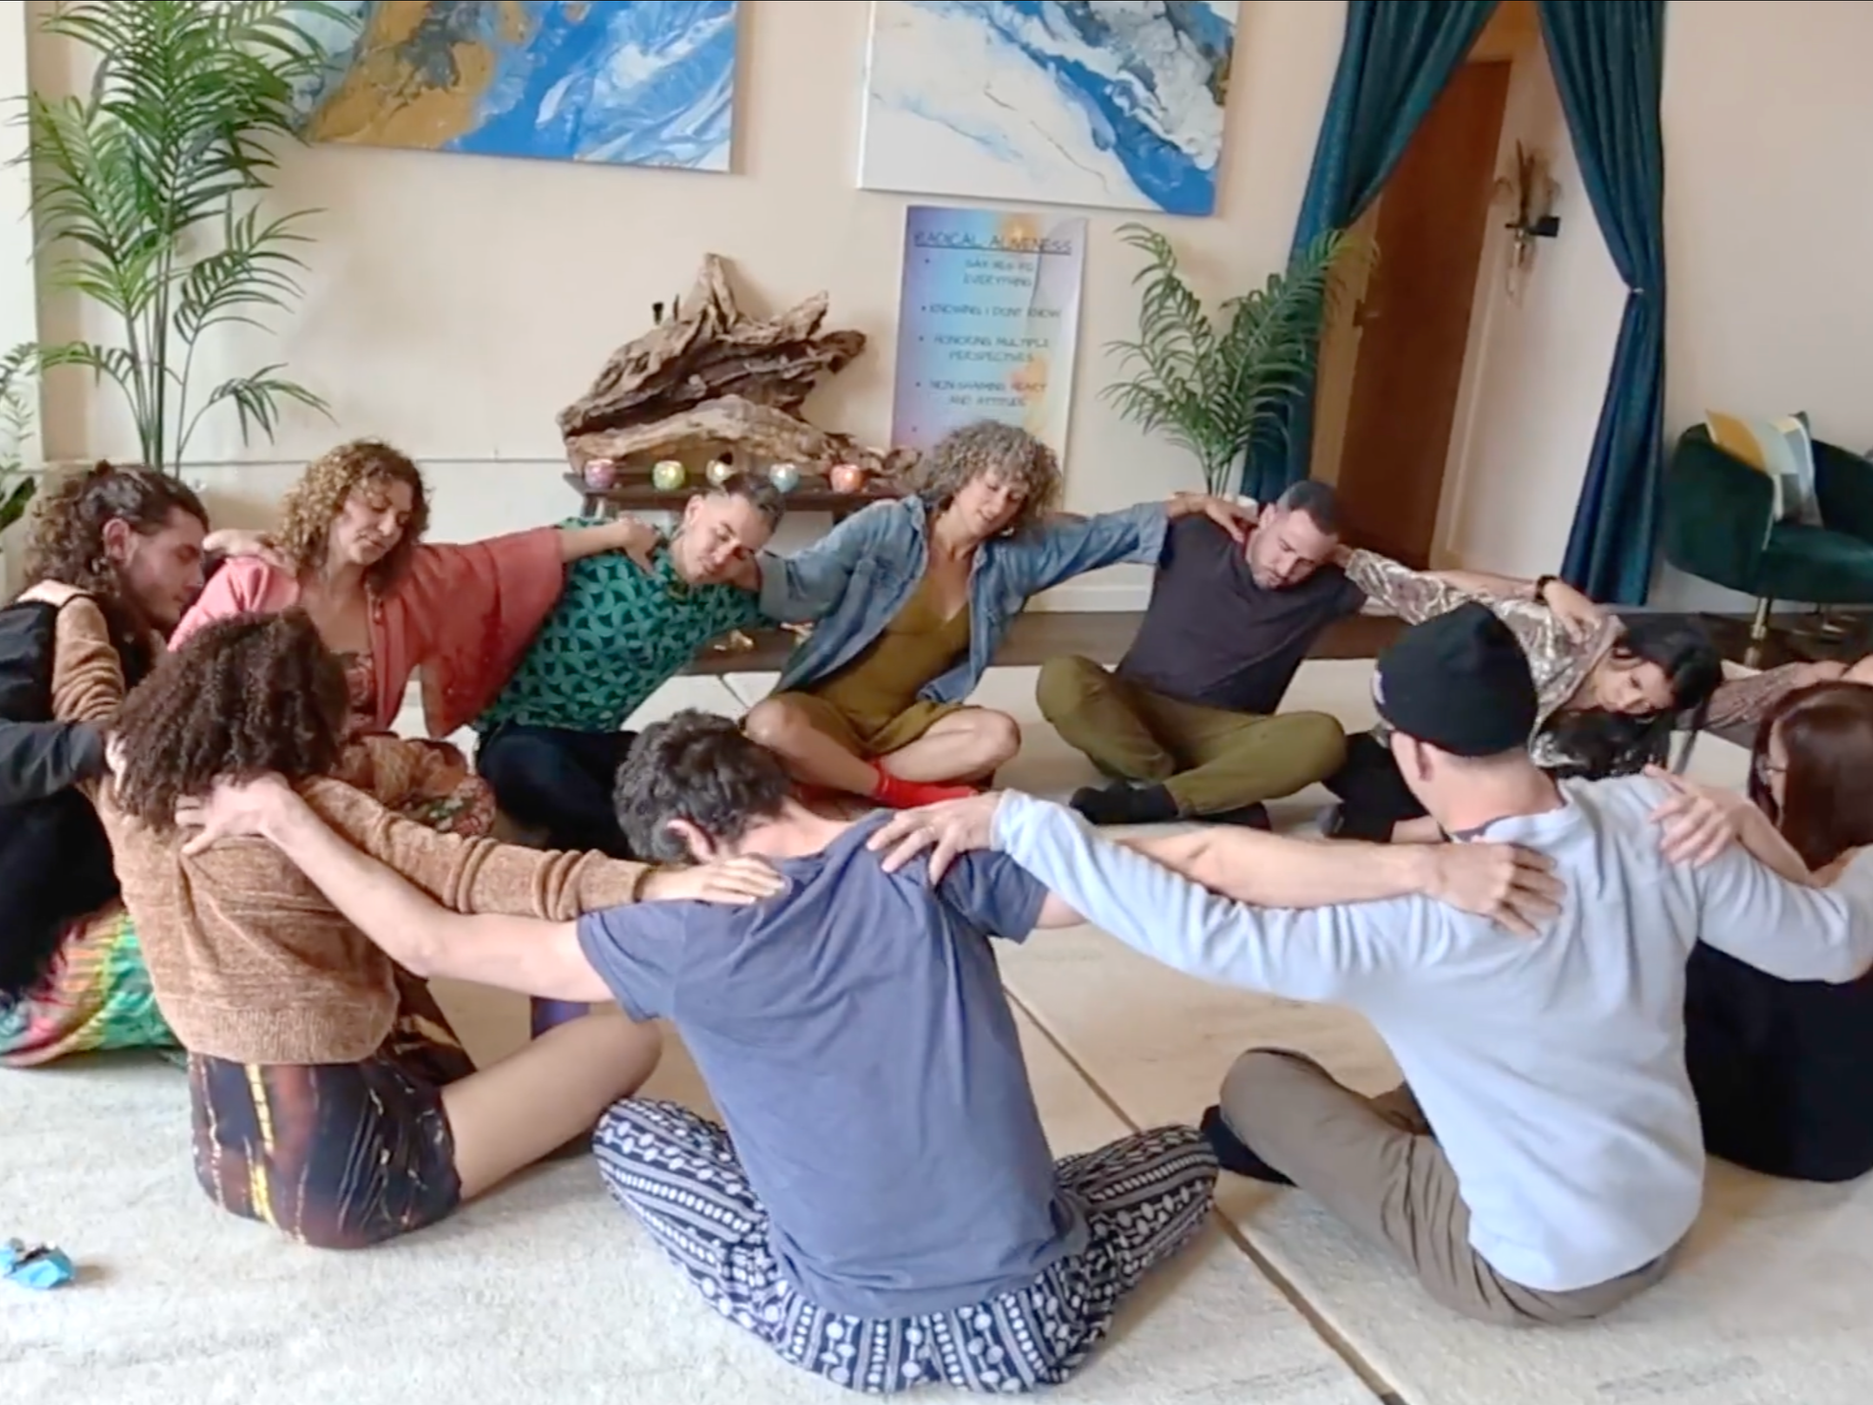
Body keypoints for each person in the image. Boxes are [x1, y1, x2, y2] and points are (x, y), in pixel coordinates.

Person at [178, 708, 1562, 1384]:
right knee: (1168, 1160)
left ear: (689, 845)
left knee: (635, 1128)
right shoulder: (937, 859)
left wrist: (286, 820)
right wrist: (1424, 875)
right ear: (773, 786)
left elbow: (433, 943)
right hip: (1036, 1325)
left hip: (848, 1336)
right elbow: (1199, 858)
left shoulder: (679, 928)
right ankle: (1124, 1190)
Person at [869, 604, 1873, 1326]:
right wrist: (1771, 827)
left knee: (1261, 1084)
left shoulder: (1412, 917)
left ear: (1416, 756)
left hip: (1536, 1272)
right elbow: (1831, 944)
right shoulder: (1660, 814)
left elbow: (1203, 930)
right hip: (1666, 1207)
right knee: (1459, 1057)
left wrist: (1016, 819)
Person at [100, 610, 755, 1249]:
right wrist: (650, 882)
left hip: (226, 1156)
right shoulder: (307, 809)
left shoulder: (124, 792)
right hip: (348, 1178)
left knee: (386, 957)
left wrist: (65, 605)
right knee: (626, 1038)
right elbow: (473, 871)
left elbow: (86, 687)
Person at [1038, 479, 1643, 829]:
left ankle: (1159, 797)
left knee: (1322, 738)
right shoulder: (1197, 533)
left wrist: (1541, 586)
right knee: (1062, 679)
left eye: (1307, 558)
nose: (1288, 567)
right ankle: (1191, 791)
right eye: (1282, 547)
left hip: (1227, 730)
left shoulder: (1332, 581)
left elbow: (1439, 587)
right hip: (1136, 704)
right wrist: (1185, 502)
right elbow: (1091, 532)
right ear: (1264, 517)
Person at [744, 419, 1256, 809]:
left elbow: (1104, 534)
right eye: (989, 487)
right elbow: (804, 581)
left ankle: (845, 781)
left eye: (1014, 498)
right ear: (960, 475)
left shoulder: (1013, 559)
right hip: (826, 708)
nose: (996, 505)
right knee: (768, 726)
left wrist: (1192, 504)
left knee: (999, 737)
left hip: (907, 722)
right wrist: (740, 567)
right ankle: (889, 788)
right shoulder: (887, 528)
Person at [174, 437, 659, 741]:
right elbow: (177, 678)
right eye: (376, 507)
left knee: (466, 797)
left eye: (401, 519)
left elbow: (499, 561)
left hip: (361, 766)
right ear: (331, 501)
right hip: (258, 765)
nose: (387, 529)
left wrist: (616, 534)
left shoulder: (402, 588)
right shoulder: (254, 578)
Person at [0, 463, 209, 1066]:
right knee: (254, 955)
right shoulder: (34, 623)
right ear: (117, 542)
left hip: (73, 913)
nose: (197, 579)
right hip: (17, 972)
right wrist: (98, 744)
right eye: (184, 556)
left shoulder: (130, 644)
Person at [473, 473, 783, 860]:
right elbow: (512, 557)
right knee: (538, 772)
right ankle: (645, 858)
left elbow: (806, 592)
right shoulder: (607, 547)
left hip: (600, 741)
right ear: (694, 510)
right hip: (523, 735)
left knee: (698, 760)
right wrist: (615, 532)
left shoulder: (723, 598)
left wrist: (760, 577)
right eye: (720, 535)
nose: (722, 556)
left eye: (741, 551)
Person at [1320, 558, 1724, 841]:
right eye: (1634, 683)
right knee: (1349, 761)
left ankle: (1411, 834)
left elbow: (1584, 804)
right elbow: (1437, 597)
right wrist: (1347, 559)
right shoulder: (1558, 630)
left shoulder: (1634, 731)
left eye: (1649, 706)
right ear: (1626, 650)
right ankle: (1433, 829)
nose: (1628, 704)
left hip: (1517, 803)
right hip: (1459, 759)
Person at [1669, 681, 1873, 1183]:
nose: (1763, 774)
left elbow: (1828, 940)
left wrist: (1751, 829)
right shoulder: (1808, 826)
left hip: (1809, 1126)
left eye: (1775, 766)